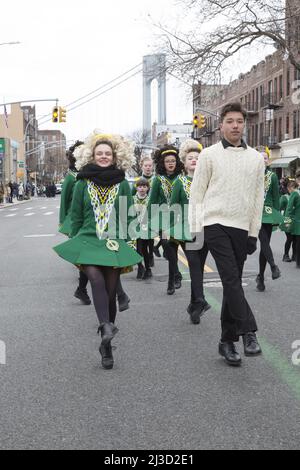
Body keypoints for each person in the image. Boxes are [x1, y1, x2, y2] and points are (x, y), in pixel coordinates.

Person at [54, 132, 142, 370]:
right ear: (91, 156)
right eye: (99, 153)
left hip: (112, 243)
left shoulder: (123, 184)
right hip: (88, 240)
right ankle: (105, 326)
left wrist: (129, 243)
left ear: (115, 158)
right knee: (94, 278)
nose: (103, 156)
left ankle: (106, 344)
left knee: (111, 292)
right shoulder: (82, 182)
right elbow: (76, 216)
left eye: (108, 154)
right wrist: (75, 244)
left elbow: (127, 216)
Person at [189, 102, 265, 367]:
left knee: (231, 283)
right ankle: (249, 333)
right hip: (215, 223)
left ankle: (226, 341)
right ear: (220, 125)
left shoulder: (256, 158)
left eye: (240, 121)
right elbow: (196, 194)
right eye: (230, 121)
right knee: (231, 278)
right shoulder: (208, 155)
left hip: (242, 227)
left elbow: (258, 199)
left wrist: (253, 233)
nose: (235, 126)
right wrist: (196, 231)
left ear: (245, 125)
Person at [169, 139, 211, 324]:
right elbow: (173, 208)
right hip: (187, 229)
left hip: (206, 228)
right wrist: (169, 232)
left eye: (197, 158)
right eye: (190, 158)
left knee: (199, 267)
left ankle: (194, 306)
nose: (194, 160)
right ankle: (201, 300)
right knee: (193, 263)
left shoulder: (209, 181)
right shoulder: (179, 182)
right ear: (184, 163)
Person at [59, 141, 92, 306]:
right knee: (85, 258)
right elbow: (64, 201)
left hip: (92, 222)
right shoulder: (72, 177)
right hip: (76, 222)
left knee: (89, 258)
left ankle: (82, 289)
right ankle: (82, 289)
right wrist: (63, 223)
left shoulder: (90, 175)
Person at [149, 145, 184, 295]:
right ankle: (177, 274)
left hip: (179, 219)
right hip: (163, 219)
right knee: (167, 244)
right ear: (163, 163)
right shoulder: (158, 180)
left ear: (177, 162)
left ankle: (171, 282)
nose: (170, 163)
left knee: (173, 252)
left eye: (173, 161)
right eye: (167, 161)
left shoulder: (182, 178)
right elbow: (152, 201)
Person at [256, 147, 283, 292]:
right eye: (260, 158)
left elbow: (276, 197)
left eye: (265, 158)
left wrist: (277, 216)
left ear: (268, 161)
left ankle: (260, 277)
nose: (263, 160)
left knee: (264, 246)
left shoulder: (272, 176)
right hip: (256, 213)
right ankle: (273, 266)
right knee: (264, 241)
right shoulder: (251, 175)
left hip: (268, 213)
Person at [132, 156, 156, 267]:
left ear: (153, 166)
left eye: (150, 165)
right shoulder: (137, 181)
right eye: (146, 165)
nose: (148, 167)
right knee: (140, 243)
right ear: (142, 166)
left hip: (151, 212)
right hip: (138, 215)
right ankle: (143, 262)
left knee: (150, 238)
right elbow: (131, 196)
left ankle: (151, 254)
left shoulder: (156, 179)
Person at [134, 178, 152, 280]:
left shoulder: (149, 199)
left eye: (144, 187)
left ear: (147, 188)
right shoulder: (132, 199)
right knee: (137, 249)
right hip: (134, 227)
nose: (142, 189)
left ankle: (148, 268)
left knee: (144, 249)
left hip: (146, 228)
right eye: (140, 186)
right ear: (136, 188)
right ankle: (140, 267)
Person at [280, 181, 297, 262]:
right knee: (289, 238)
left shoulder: (297, 196)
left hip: (295, 221)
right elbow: (279, 207)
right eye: (292, 188)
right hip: (287, 220)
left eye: (294, 187)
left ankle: (295, 255)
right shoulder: (285, 197)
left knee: (295, 239)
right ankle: (285, 255)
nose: (293, 189)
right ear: (288, 188)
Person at [285, 180, 300, 268]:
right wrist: (287, 221)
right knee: (298, 242)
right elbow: (289, 208)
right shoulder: (295, 193)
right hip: (298, 223)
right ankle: (298, 262)